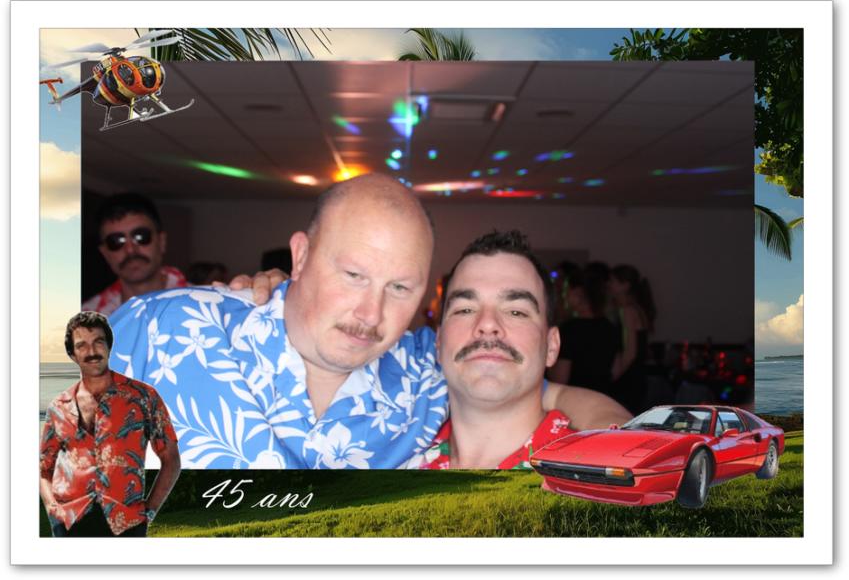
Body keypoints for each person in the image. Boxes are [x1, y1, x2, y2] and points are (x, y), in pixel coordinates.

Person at [108, 173, 630, 469]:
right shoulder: (160, 329)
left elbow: (537, 387)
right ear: (301, 256)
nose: (371, 314)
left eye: (399, 288)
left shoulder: (426, 368)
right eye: (354, 275)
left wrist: (635, 445)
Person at [412, 231, 576, 469]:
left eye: (516, 312)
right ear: (438, 342)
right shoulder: (397, 460)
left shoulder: (590, 476)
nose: (487, 324)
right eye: (465, 310)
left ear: (552, 346)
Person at [40, 312, 181, 536]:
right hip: (69, 521)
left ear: (109, 346)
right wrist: (51, 507)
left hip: (126, 522)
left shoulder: (144, 397)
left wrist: (150, 511)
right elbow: (43, 469)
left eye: (98, 342)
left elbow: (171, 459)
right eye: (82, 345)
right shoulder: (58, 407)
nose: (92, 352)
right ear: (72, 354)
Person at [82, 192, 188, 316]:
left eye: (140, 236)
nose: (130, 250)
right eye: (115, 241)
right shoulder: (86, 320)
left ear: (161, 241)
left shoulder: (202, 303)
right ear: (105, 253)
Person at [548, 268, 620, 398]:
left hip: (575, 399)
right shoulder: (609, 327)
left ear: (578, 293)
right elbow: (615, 370)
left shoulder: (570, 329)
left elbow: (560, 378)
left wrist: (546, 363)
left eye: (566, 291)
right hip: (602, 398)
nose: (564, 296)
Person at [610, 264, 656, 414]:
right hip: (636, 376)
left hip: (629, 379)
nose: (609, 285)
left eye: (613, 281)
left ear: (625, 285)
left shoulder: (628, 311)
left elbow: (630, 352)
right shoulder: (636, 308)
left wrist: (613, 377)